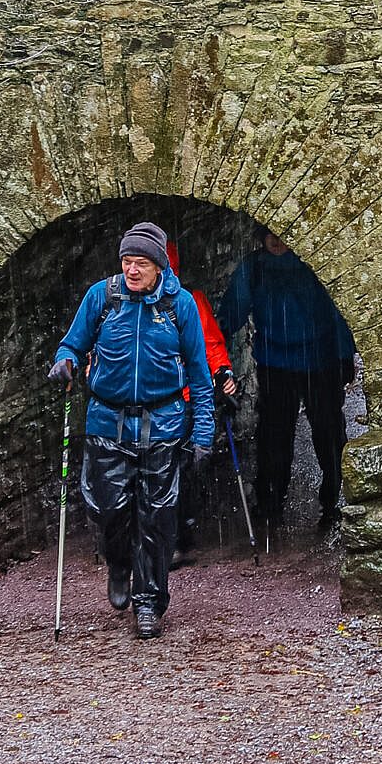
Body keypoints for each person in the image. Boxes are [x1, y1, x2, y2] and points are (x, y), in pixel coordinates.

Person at [48, 221, 214, 639]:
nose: (132, 270)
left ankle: (149, 603)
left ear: (159, 266)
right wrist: (65, 361)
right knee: (109, 511)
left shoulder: (179, 305)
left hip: (163, 424)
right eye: (127, 261)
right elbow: (73, 343)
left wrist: (203, 432)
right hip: (107, 421)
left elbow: (199, 373)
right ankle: (119, 562)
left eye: (141, 262)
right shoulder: (102, 297)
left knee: (157, 519)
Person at [218, 228, 356, 532]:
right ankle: (271, 498)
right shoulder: (254, 268)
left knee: (328, 432)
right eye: (270, 235)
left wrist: (344, 355)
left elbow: (338, 311)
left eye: (282, 234)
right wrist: (214, 348)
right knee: (274, 436)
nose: (276, 240)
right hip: (276, 364)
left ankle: (333, 496)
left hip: (320, 362)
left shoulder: (313, 263)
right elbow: (232, 311)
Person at [165, 240, 237, 567]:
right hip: (150, 400)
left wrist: (223, 370)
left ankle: (177, 535)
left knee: (178, 467)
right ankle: (168, 535)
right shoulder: (124, 302)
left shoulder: (190, 300)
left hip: (185, 399)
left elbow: (211, 343)